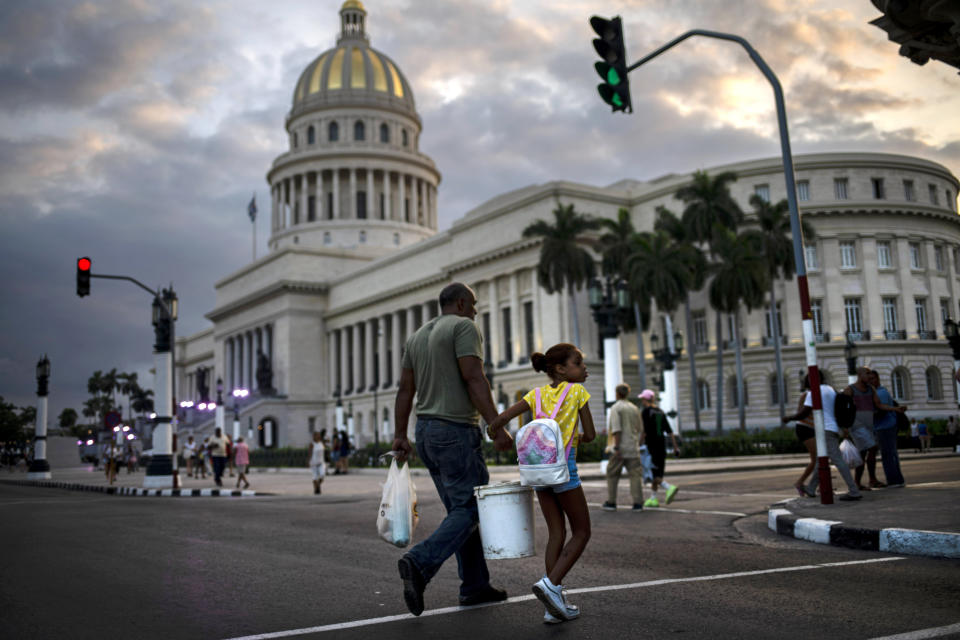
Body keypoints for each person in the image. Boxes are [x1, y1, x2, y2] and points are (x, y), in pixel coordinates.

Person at [391, 282, 512, 617]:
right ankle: (419, 562)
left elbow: (404, 389)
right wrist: (497, 426)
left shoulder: (417, 336)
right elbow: (474, 378)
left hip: (427, 432)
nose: (475, 311)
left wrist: (401, 435)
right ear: (461, 303)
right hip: (455, 431)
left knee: (462, 512)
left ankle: (474, 587)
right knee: (471, 510)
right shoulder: (463, 327)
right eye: (473, 305)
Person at [491, 343, 595, 623]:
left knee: (556, 533)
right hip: (563, 469)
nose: (583, 367)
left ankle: (553, 607)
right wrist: (579, 438)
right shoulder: (578, 392)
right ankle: (551, 584)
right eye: (578, 363)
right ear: (561, 369)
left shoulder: (535, 395)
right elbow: (591, 434)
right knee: (582, 531)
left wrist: (494, 430)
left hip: (538, 471)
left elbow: (502, 418)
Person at [803, 367, 862, 501]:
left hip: (825, 429)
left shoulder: (813, 392)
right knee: (821, 460)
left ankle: (854, 490)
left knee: (837, 460)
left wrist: (790, 418)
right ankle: (811, 488)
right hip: (833, 428)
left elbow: (805, 412)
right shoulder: (830, 389)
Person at [841, 367, 901, 490]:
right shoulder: (850, 390)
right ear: (859, 374)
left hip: (869, 425)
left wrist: (895, 409)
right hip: (857, 425)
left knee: (864, 453)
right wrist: (844, 425)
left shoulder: (871, 389)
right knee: (872, 447)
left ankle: (862, 481)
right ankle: (867, 480)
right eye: (867, 373)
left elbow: (879, 405)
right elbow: (842, 406)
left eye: (870, 374)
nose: (869, 376)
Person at [602, 383, 645, 511]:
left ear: (617, 393)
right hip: (633, 446)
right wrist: (638, 444)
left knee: (612, 473)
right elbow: (641, 429)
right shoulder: (634, 408)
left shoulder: (616, 408)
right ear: (627, 393)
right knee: (635, 475)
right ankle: (638, 503)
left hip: (621, 446)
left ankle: (612, 501)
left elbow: (616, 429)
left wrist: (617, 448)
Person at [638, 389, 681, 508]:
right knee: (658, 472)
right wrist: (676, 448)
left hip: (651, 447)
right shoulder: (660, 412)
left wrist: (638, 445)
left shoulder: (646, 412)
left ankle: (668, 487)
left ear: (645, 399)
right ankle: (653, 498)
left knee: (652, 473)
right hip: (661, 446)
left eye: (642, 398)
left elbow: (644, 432)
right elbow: (670, 431)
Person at [782, 375, 818, 497]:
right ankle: (800, 482)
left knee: (819, 459)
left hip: (811, 428)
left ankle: (815, 485)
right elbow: (801, 413)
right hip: (805, 428)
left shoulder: (815, 393)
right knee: (817, 459)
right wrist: (790, 418)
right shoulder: (807, 395)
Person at [868, 370, 905, 487]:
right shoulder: (878, 392)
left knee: (888, 454)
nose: (870, 381)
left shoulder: (880, 393)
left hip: (885, 426)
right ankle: (896, 479)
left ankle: (894, 480)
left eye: (873, 378)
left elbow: (881, 411)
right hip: (885, 426)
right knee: (890, 453)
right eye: (869, 379)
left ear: (877, 379)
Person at [309, 430, 326, 495]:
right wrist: (309, 461)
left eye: (318, 435)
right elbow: (310, 453)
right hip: (314, 462)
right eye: (316, 435)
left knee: (322, 475)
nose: (318, 436)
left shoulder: (321, 443)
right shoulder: (312, 444)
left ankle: (318, 486)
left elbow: (324, 451)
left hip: (321, 462)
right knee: (315, 477)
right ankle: (316, 490)